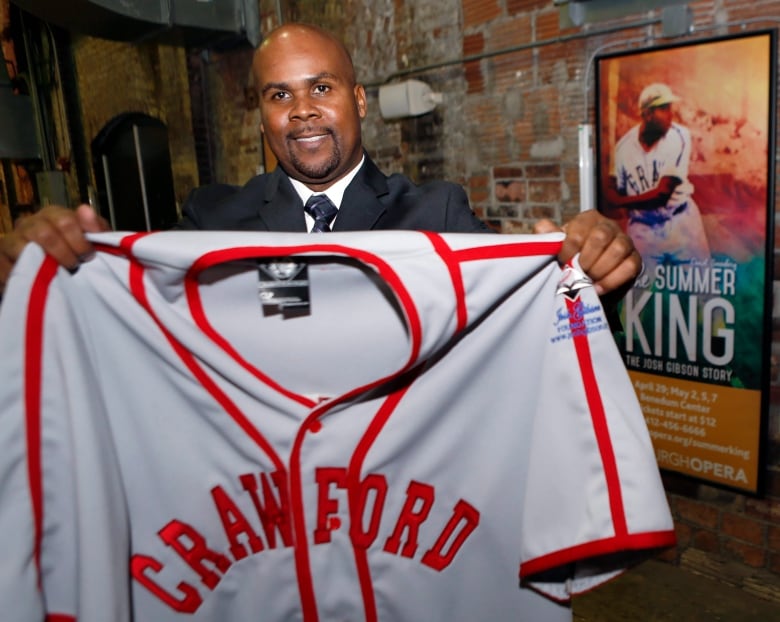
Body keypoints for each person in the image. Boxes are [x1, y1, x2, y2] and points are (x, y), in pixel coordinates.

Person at [0, 23, 640, 297]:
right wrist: (42, 275)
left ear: (357, 101)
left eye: (321, 88)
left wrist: (591, 268)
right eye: (280, 95)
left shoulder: (437, 212)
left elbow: (523, 313)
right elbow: (126, 316)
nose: (302, 109)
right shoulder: (212, 217)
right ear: (261, 115)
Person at [602, 82, 710, 286]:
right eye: (663, 108)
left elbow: (662, 195)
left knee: (703, 290)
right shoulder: (623, 147)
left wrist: (620, 201)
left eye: (670, 107)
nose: (670, 114)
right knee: (634, 293)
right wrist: (616, 199)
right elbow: (609, 191)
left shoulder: (679, 136)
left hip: (681, 222)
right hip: (643, 229)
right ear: (648, 114)